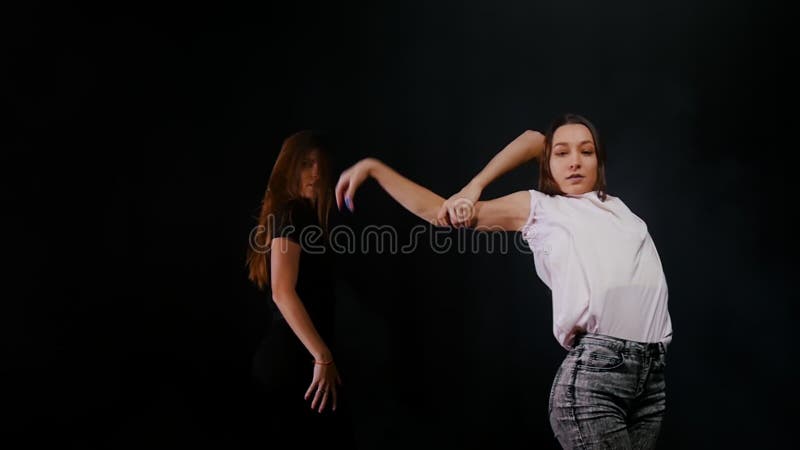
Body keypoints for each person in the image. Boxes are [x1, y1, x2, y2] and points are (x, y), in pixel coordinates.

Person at [335, 114, 672, 449]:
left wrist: (553, 147)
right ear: (547, 163)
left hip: (651, 382)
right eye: (561, 153)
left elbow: (539, 142)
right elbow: (438, 209)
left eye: (586, 152)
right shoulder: (542, 208)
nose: (574, 162)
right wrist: (377, 169)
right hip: (597, 376)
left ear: (599, 161)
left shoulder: (619, 209)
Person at [245, 130, 354, 447]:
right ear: (290, 168)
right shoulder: (292, 213)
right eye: (307, 164)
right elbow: (281, 291)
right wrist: (322, 357)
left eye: (321, 165)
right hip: (292, 361)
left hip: (300, 360)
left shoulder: (304, 217)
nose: (317, 173)